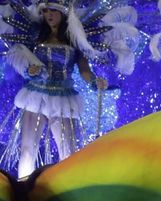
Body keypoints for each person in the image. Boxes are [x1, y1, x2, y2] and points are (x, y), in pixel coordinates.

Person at [0, 0, 138, 179]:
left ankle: (68, 186)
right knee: (27, 149)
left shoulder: (74, 40)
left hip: (63, 99)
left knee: (68, 151)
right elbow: (21, 56)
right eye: (46, 11)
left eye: (53, 11)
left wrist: (94, 82)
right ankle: (24, 188)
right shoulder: (35, 35)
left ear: (63, 14)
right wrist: (29, 69)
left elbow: (84, 70)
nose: (49, 15)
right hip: (36, 95)